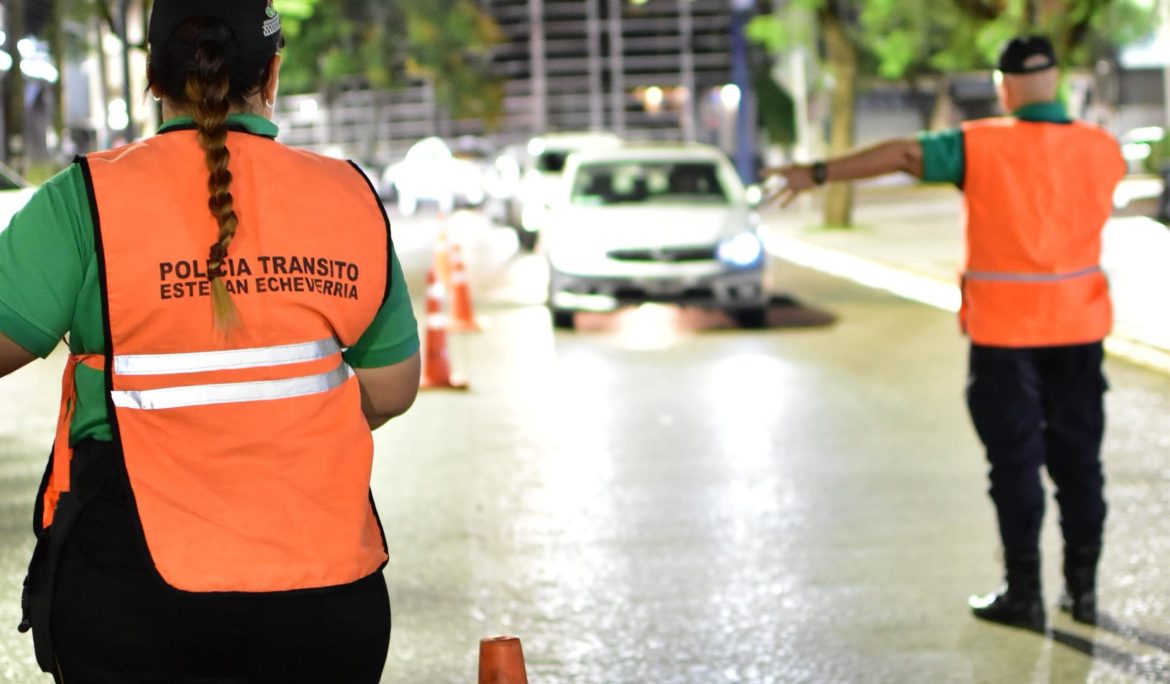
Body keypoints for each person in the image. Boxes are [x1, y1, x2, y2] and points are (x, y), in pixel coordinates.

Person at [0, 1, 421, 681]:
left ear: (153, 76)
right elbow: (393, 388)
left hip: (132, 591)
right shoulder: (348, 195)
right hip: (324, 601)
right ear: (271, 74)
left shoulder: (85, 199)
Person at [764, 35, 1125, 631]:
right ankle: (1082, 594)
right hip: (1080, 330)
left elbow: (905, 155)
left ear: (1005, 86)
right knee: (1080, 463)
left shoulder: (981, 145)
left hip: (1005, 335)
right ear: (1056, 79)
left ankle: (1025, 595)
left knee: (1015, 465)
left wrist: (817, 173)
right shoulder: (1103, 148)